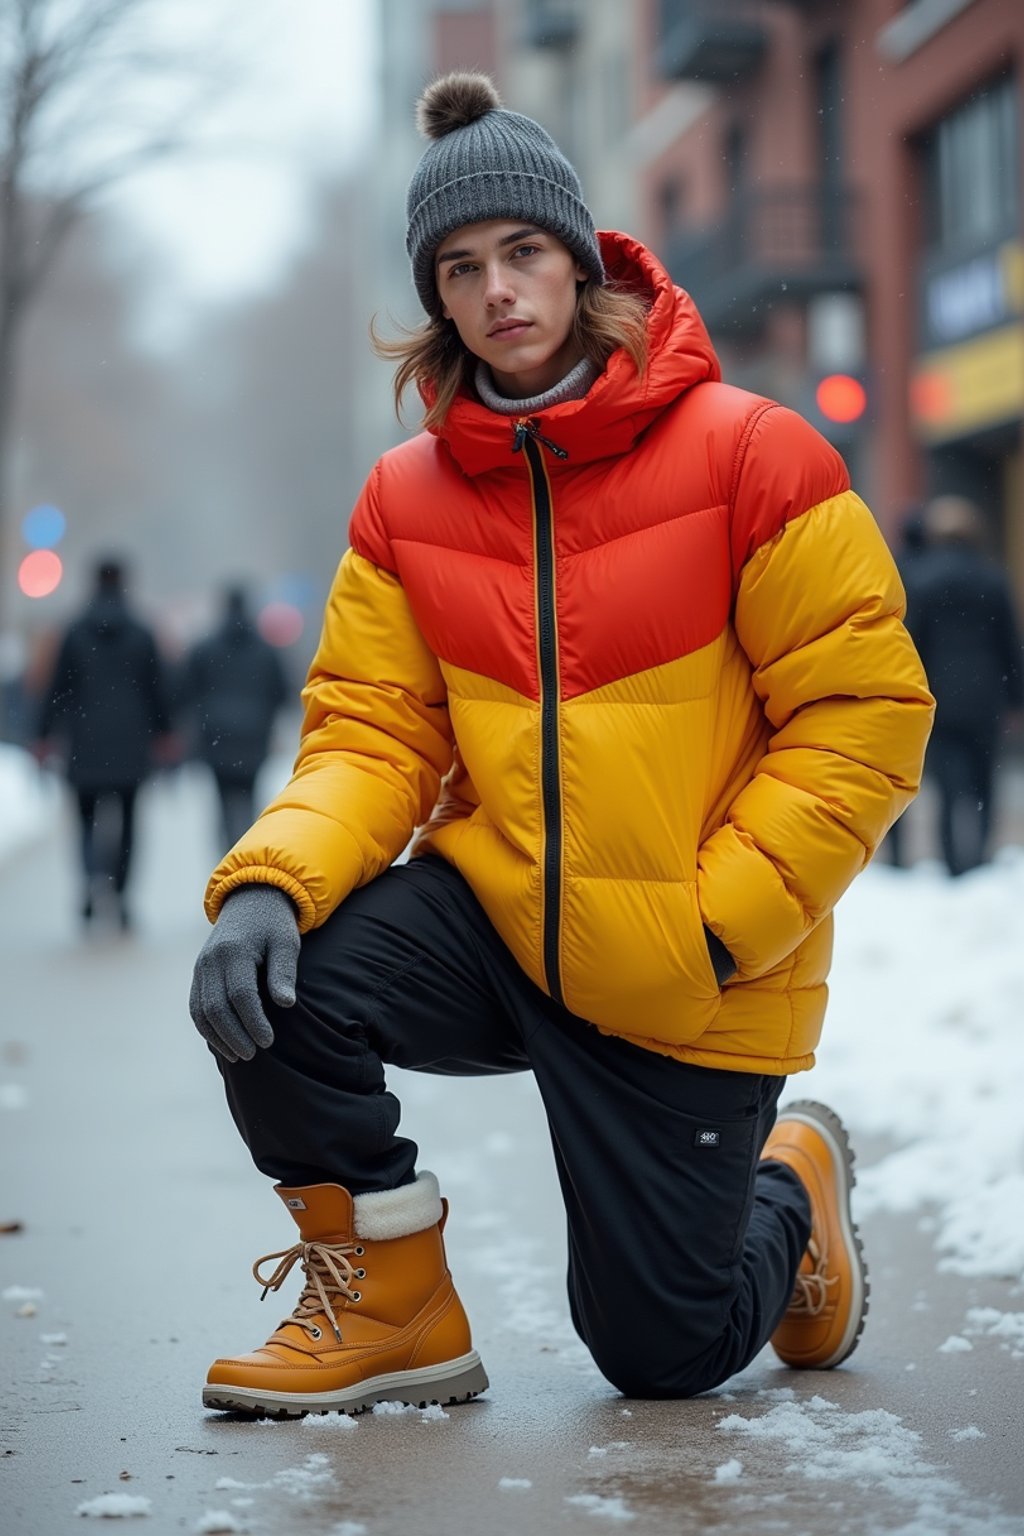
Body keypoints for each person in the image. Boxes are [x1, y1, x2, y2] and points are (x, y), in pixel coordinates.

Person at [189, 74, 934, 1418]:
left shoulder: (752, 455)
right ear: (437, 296)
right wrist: (267, 879)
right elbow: (373, 727)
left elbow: (865, 716)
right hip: (501, 919)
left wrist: (715, 928)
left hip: (689, 965)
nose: (497, 291)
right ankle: (395, 1302)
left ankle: (793, 1193)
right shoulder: (407, 496)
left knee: (662, 1354)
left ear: (581, 262)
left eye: (522, 252)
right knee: (276, 985)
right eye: (460, 268)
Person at [35, 557, 171, 928]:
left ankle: (92, 881)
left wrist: (43, 734)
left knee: (85, 821)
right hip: (130, 740)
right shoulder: (142, 633)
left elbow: (58, 689)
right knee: (128, 822)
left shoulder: (74, 632)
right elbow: (157, 688)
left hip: (85, 740)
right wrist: (164, 731)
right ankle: (122, 895)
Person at [907, 496, 1023, 876]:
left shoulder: (922, 579)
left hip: (939, 697)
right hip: (985, 695)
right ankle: (982, 858)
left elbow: (912, 644)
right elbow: (1009, 643)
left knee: (946, 785)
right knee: (985, 781)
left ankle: (952, 863)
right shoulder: (993, 578)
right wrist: (1016, 699)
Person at [181, 587, 289, 852]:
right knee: (249, 796)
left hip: (218, 737)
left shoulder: (204, 648)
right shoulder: (266, 651)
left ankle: (227, 853)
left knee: (222, 800)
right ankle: (246, 850)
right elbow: (282, 691)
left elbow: (186, 690)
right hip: (254, 736)